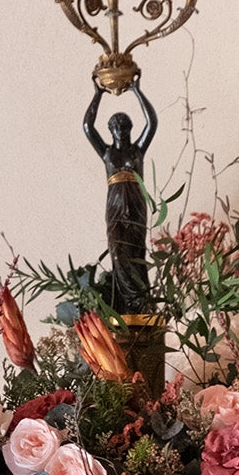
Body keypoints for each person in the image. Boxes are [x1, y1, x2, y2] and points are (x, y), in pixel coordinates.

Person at [82, 79, 157, 312]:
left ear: (130, 129)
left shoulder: (137, 150)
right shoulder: (106, 153)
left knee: (136, 250)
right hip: (115, 205)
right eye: (117, 128)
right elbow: (87, 126)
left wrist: (137, 91)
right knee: (117, 250)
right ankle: (127, 303)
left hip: (135, 203)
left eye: (125, 128)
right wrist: (98, 95)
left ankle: (141, 302)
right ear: (111, 130)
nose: (122, 132)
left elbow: (152, 122)